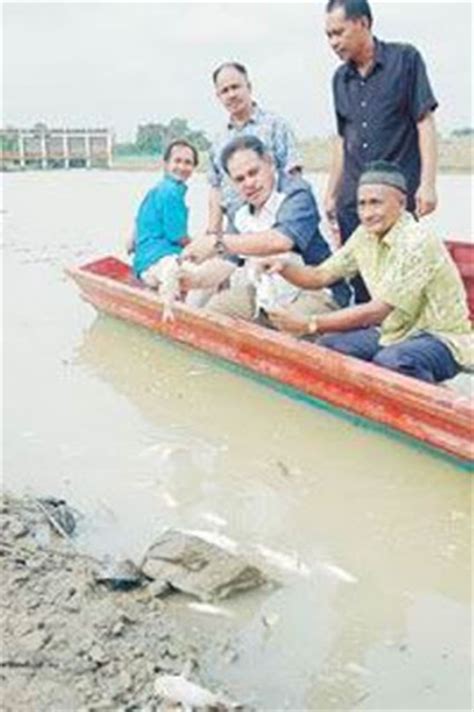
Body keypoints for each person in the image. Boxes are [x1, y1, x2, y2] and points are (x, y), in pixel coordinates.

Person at [266, 161, 473, 383]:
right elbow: (320, 276)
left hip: (441, 338)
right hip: (394, 333)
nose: (367, 213)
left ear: (402, 203)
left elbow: (376, 311)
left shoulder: (416, 240)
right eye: (361, 204)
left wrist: (309, 323)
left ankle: (437, 404)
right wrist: (284, 267)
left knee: (393, 362)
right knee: (329, 347)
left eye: (375, 203)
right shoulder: (364, 234)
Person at [323, 0, 438, 302]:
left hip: (395, 196)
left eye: (338, 33)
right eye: (328, 36)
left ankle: (403, 344)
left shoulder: (406, 60)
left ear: (362, 23)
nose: (333, 43)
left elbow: (424, 121)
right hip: (353, 200)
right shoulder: (339, 79)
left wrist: (428, 184)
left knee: (400, 284)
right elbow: (342, 139)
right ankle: (362, 345)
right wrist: (332, 193)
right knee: (361, 281)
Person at [182, 135, 350, 321]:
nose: (249, 183)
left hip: (316, 290)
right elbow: (226, 263)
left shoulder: (296, 193)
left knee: (289, 324)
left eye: (253, 173)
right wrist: (191, 278)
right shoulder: (240, 211)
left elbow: (280, 241)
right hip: (268, 291)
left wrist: (217, 242)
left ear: (269, 163)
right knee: (214, 312)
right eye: (239, 179)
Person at [207, 62, 303, 234]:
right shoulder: (218, 141)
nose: (231, 95)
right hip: (235, 227)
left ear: (249, 87)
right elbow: (216, 188)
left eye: (235, 87)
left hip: (273, 223)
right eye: (225, 91)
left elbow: (293, 176)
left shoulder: (276, 126)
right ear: (218, 96)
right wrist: (213, 233)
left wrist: (289, 223)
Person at [128, 139, 198, 287]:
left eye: (188, 162)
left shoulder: (158, 189)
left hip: (144, 262)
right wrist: (200, 247)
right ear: (166, 164)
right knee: (210, 271)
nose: (182, 167)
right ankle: (197, 308)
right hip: (159, 262)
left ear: (193, 167)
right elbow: (178, 236)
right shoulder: (171, 192)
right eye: (177, 161)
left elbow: (137, 223)